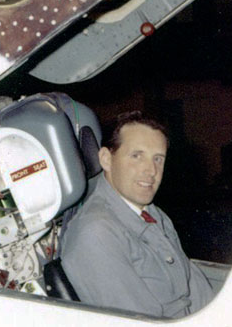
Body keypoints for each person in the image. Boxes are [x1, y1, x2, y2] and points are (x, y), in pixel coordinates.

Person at [60, 112, 214, 317]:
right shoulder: (96, 233)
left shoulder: (152, 213)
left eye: (158, 159)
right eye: (136, 156)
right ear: (106, 159)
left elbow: (195, 288)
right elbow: (139, 321)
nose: (151, 170)